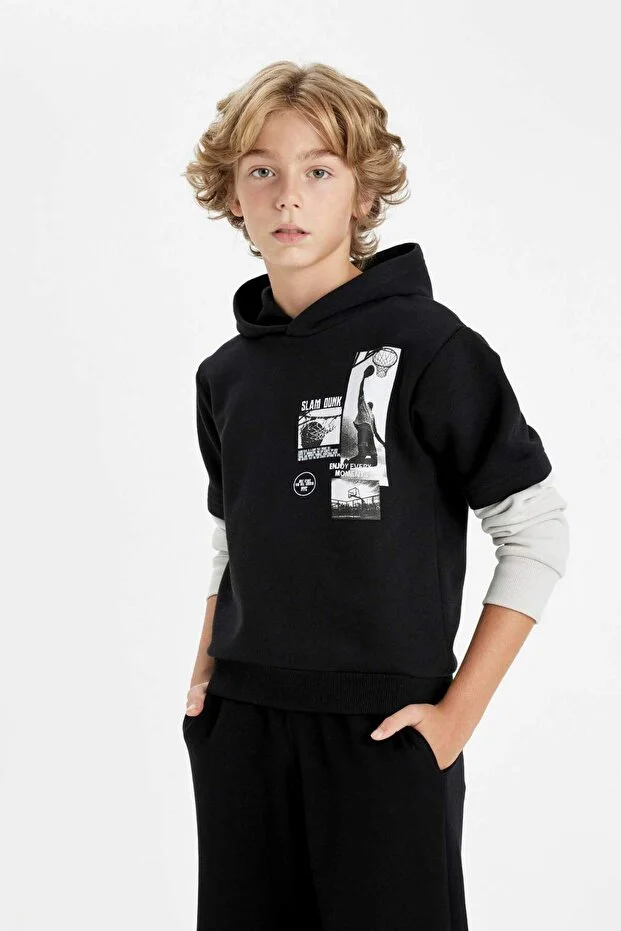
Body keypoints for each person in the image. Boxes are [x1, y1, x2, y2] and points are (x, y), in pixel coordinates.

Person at [180, 60, 569, 930]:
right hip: (241, 727)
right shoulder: (225, 374)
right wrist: (204, 677)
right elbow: (230, 536)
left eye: (318, 170)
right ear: (232, 193)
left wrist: (454, 719)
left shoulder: (430, 346)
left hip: (384, 733)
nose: (288, 195)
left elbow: (536, 529)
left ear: (362, 195)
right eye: (261, 170)